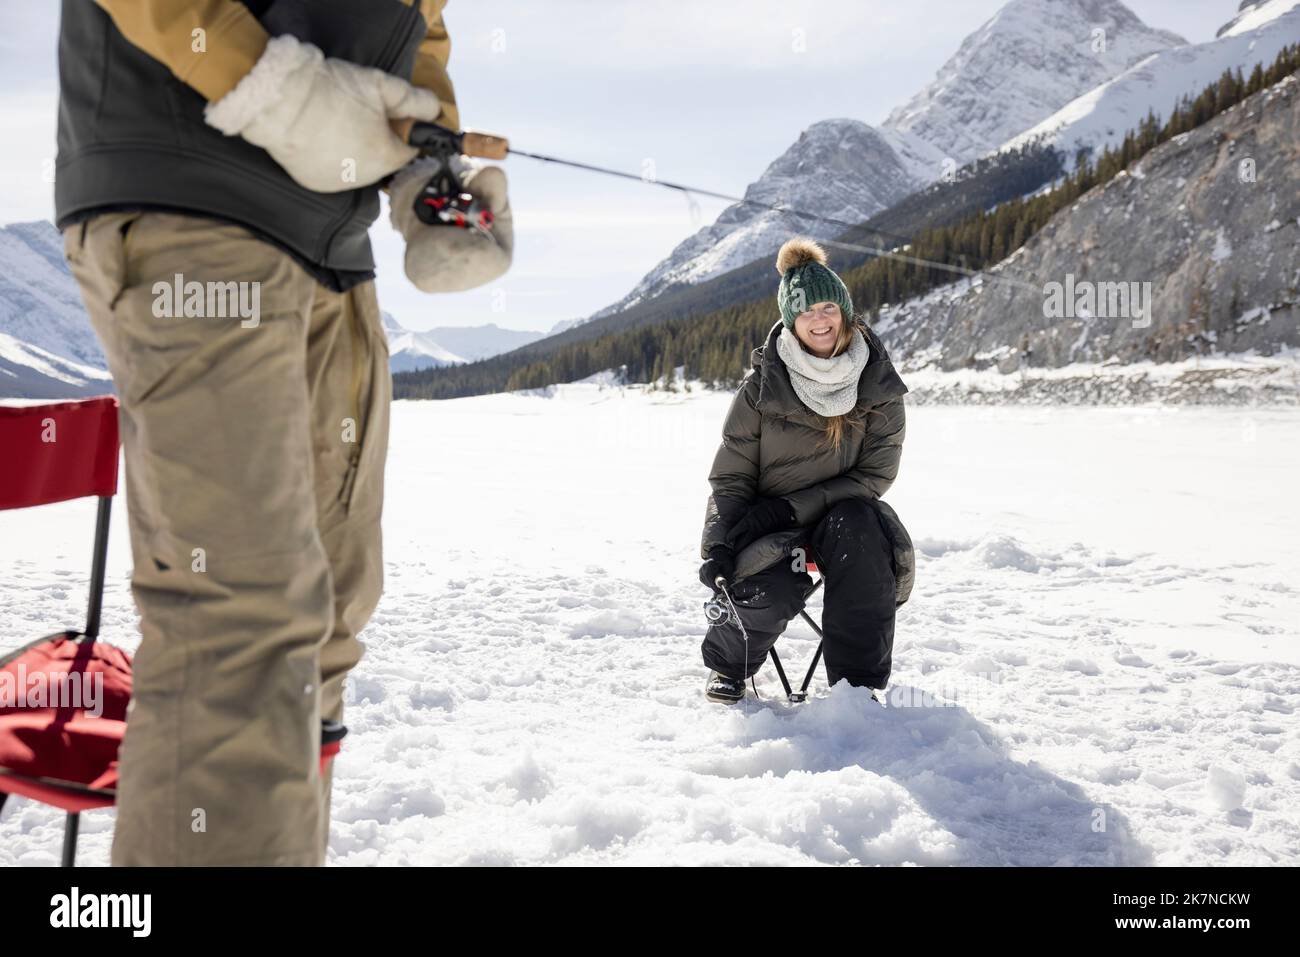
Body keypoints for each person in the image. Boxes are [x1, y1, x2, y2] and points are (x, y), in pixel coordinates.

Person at [56, 0, 510, 865]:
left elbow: (421, 20)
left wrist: (426, 154)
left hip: (331, 242)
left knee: (326, 628)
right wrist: (277, 88)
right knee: (244, 629)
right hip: (189, 194)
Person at [698, 237, 912, 703]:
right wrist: (718, 543)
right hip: (766, 523)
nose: (820, 319)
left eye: (829, 307)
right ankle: (729, 668)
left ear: (846, 312)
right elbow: (731, 476)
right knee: (767, 593)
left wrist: (789, 510)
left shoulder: (877, 381)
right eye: (807, 310)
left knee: (863, 532)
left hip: (835, 517)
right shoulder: (762, 388)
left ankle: (857, 690)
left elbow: (875, 475)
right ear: (791, 320)